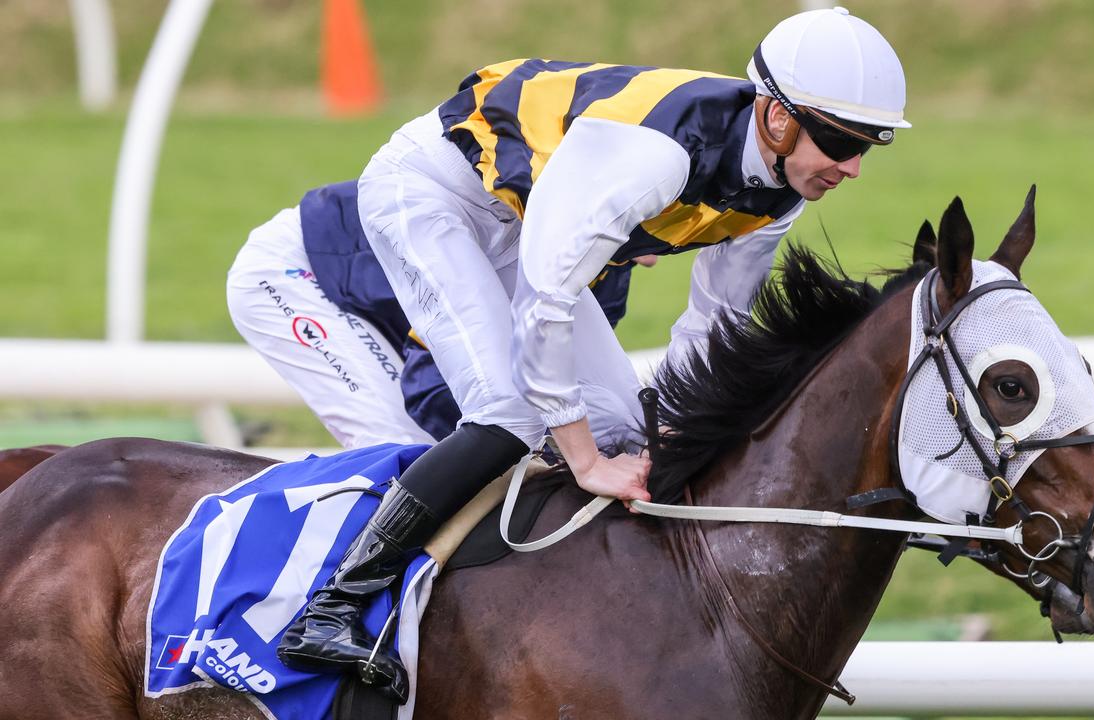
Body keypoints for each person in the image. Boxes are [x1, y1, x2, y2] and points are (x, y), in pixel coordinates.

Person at [258, 6, 910, 701]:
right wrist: (584, 459)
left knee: (629, 427)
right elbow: (549, 296)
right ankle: (330, 604)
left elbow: (715, 321)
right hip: (432, 196)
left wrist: (668, 431)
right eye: (842, 142)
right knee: (509, 415)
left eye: (871, 145)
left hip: (516, 220)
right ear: (778, 118)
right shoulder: (658, 153)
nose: (854, 168)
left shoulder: (778, 194)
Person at [226, 180, 643, 447]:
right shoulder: (539, 240)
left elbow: (562, 383)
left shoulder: (607, 271)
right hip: (296, 273)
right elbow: (430, 389)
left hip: (359, 282)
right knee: (399, 451)